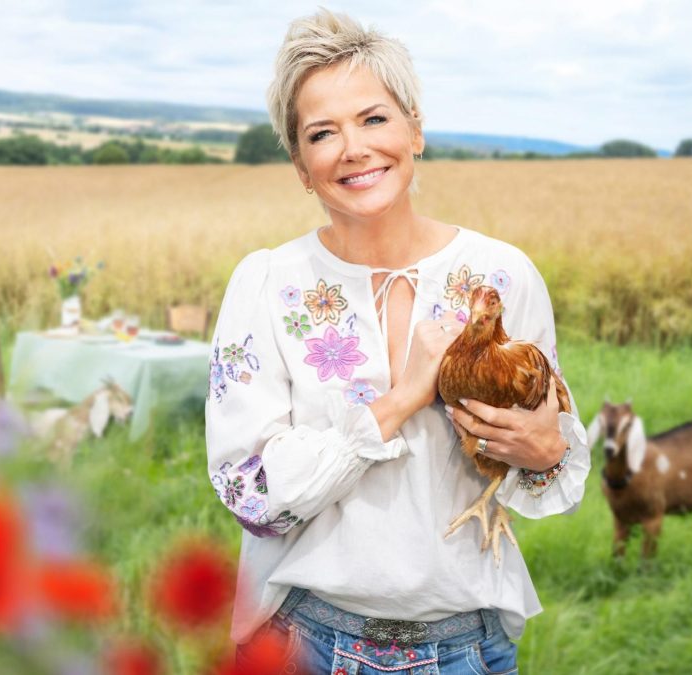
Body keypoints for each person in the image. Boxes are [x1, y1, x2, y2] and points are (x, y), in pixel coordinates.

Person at [205, 9, 591, 673]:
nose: (353, 148)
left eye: (374, 118)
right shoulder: (266, 283)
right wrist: (402, 399)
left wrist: (546, 450)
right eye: (322, 133)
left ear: (416, 130)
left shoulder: (502, 276)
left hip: (469, 647)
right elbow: (252, 494)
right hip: (301, 643)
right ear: (301, 166)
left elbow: (553, 459)